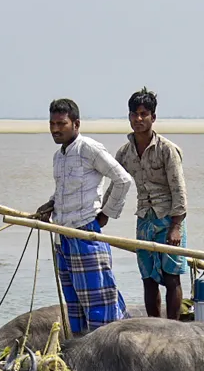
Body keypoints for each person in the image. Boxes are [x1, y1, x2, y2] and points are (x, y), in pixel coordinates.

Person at [35, 98, 134, 334]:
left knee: (99, 302)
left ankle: (110, 352)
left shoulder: (89, 148)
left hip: (86, 235)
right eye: (52, 124)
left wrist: (105, 215)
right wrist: (50, 205)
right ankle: (80, 354)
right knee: (74, 304)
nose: (55, 129)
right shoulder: (59, 157)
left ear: (76, 124)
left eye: (61, 123)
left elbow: (123, 180)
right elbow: (64, 191)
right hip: (63, 238)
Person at [108, 87, 188, 319]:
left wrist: (176, 226)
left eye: (144, 114)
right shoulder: (125, 152)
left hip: (168, 217)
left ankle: (172, 326)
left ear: (153, 117)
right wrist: (102, 216)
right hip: (144, 218)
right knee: (148, 278)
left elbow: (179, 189)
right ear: (129, 116)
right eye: (134, 114)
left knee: (171, 277)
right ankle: (154, 326)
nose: (139, 119)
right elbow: (116, 184)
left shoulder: (166, 150)